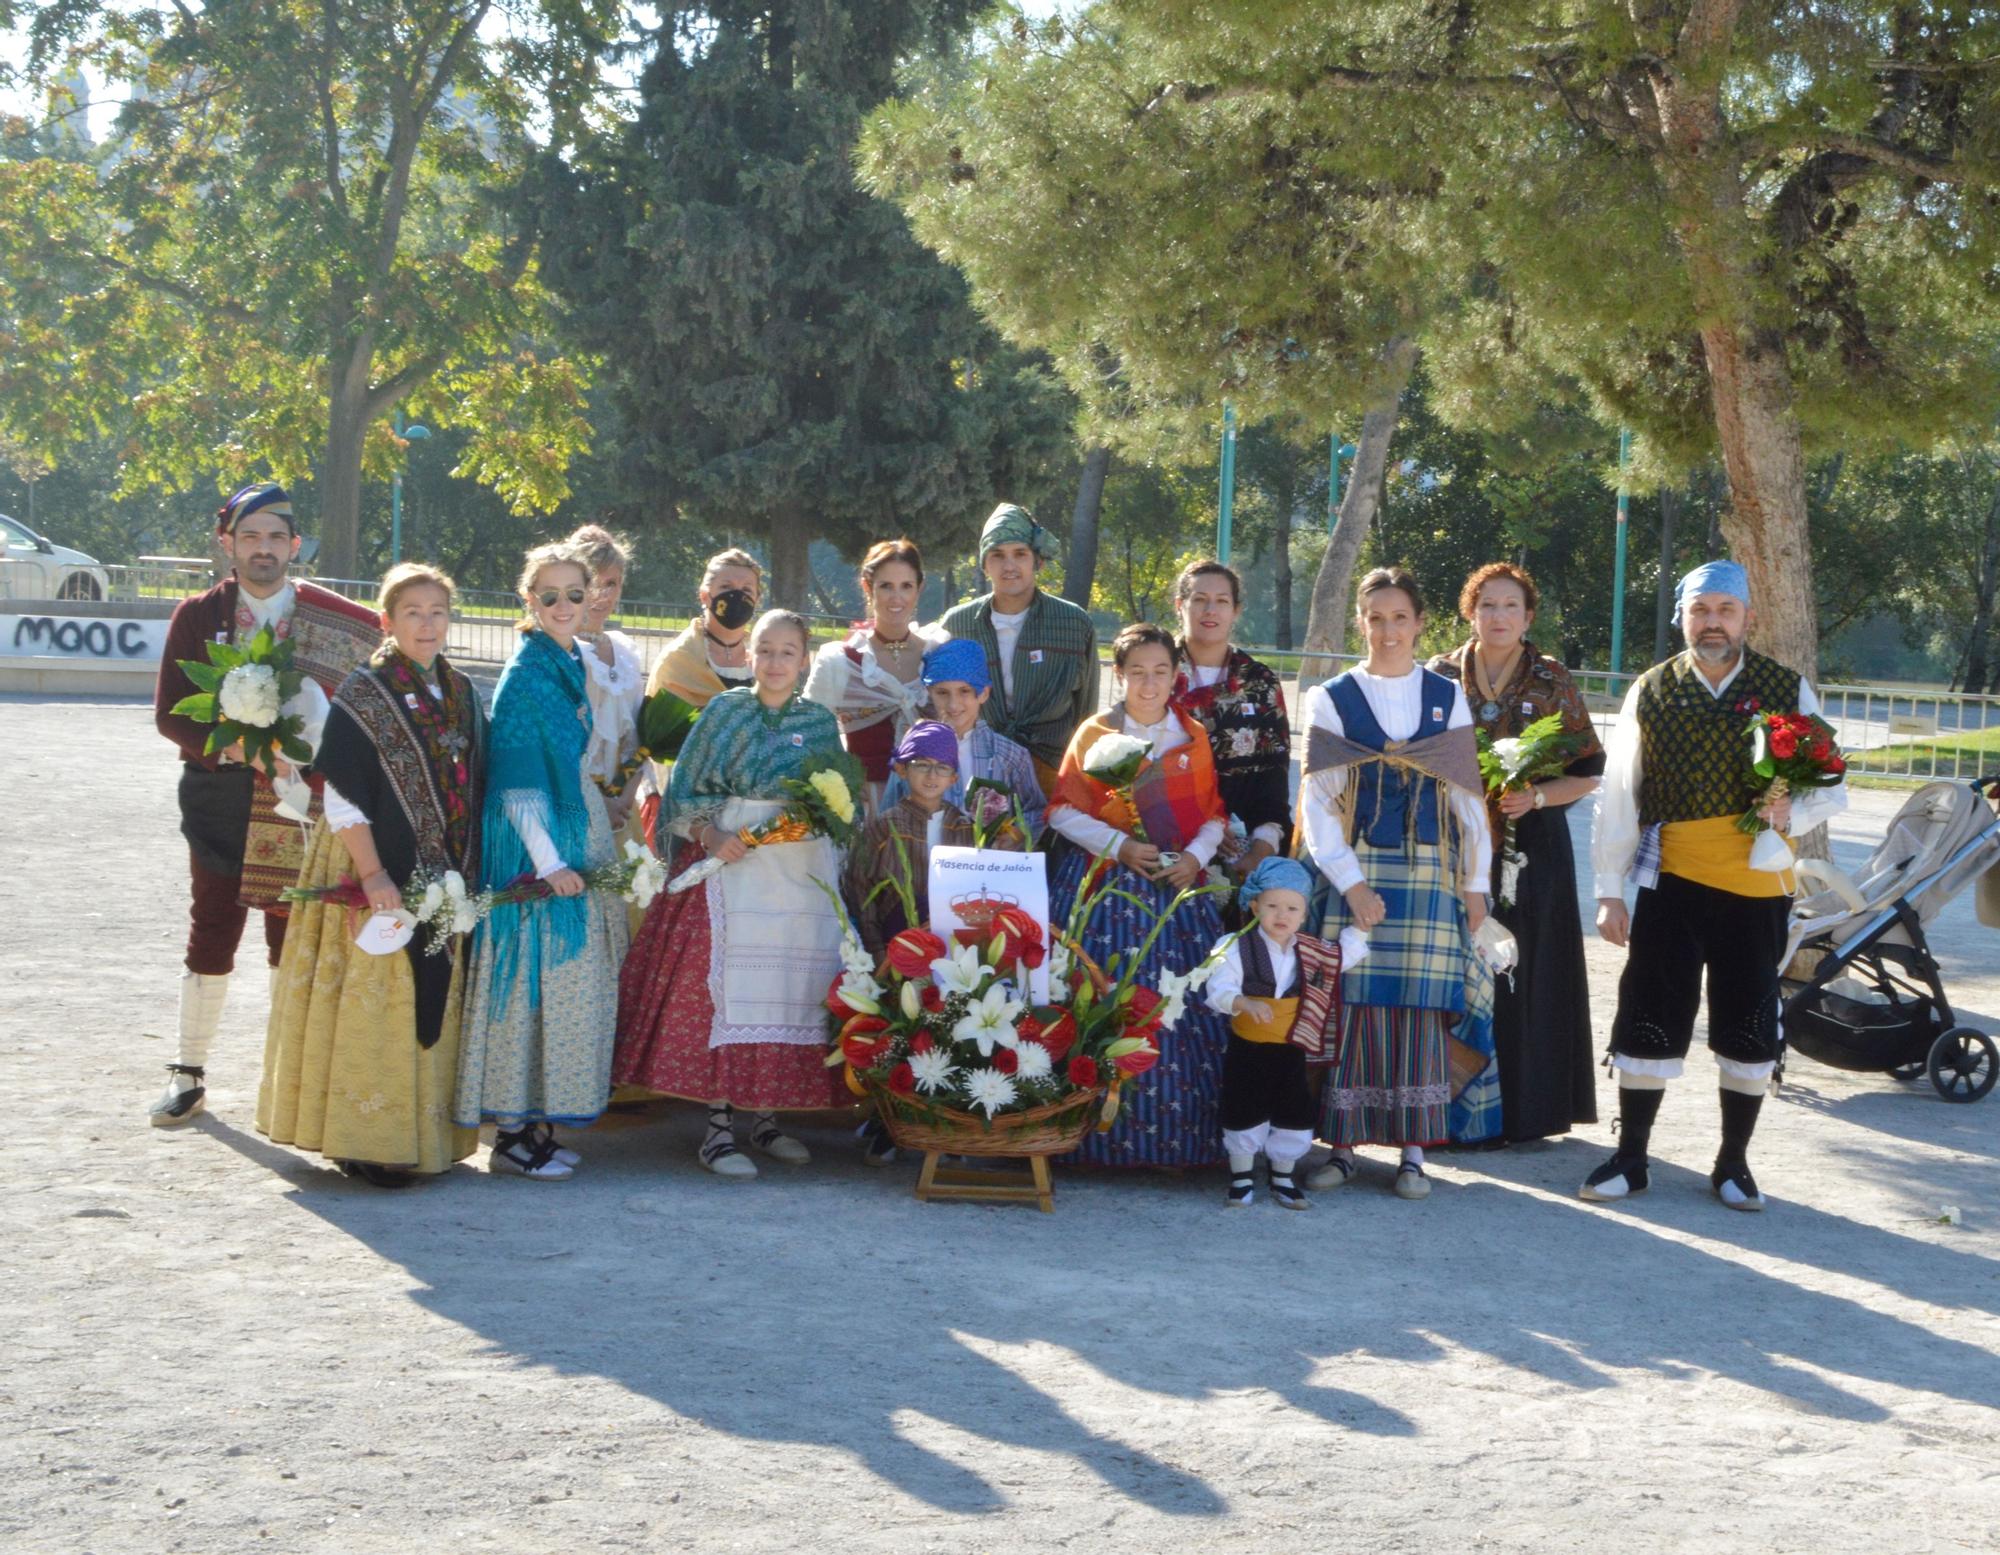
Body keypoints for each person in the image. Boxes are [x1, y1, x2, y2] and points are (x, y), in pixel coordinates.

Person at [1584, 559, 1847, 1212]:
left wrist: (1794, 811)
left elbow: (1832, 784)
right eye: (1700, 610)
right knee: (1648, 1012)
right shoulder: (1653, 689)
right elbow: (1618, 796)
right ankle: (1632, 1156)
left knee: (1749, 1019)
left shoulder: (1786, 688)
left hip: (1758, 890)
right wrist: (1610, 890)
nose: (1712, 622)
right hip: (1673, 884)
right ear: (1682, 617)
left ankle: (1733, 1163)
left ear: (1747, 618)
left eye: (1725, 610)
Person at [148, 482, 380, 1127]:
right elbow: (172, 715)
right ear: (228, 543)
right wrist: (243, 752)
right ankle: (189, 1069)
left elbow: (369, 696)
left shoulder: (337, 619)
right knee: (214, 924)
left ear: (295, 545)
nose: (263, 549)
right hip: (221, 795)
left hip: (304, 803)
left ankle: (288, 1072)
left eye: (276, 536)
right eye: (250, 536)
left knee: (293, 935)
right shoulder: (198, 615)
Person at [256, 564, 484, 1185]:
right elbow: (343, 794)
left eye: (437, 610)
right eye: (412, 611)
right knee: (378, 998)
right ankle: (365, 1142)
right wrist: (375, 874)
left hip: (441, 870)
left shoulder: (461, 691)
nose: (427, 623)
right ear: (386, 621)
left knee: (427, 996)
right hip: (371, 860)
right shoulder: (365, 690)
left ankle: (425, 1138)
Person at [614, 610, 851, 1178]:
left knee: (788, 988)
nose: (774, 661)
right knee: (728, 994)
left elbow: (837, 801)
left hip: (796, 878)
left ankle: (767, 1119)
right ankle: (718, 1129)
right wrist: (710, 834)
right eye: (765, 650)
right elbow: (684, 792)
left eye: (787, 652)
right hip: (730, 866)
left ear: (804, 660)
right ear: (750, 656)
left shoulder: (819, 723)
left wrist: (813, 823)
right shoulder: (724, 712)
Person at [1298, 566, 1493, 1201]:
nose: (1388, 630)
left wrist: (1476, 882)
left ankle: (1413, 1153)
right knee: (1351, 1007)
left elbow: (1467, 798)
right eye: (1376, 618)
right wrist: (1352, 886)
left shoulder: (1445, 697)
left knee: (1421, 1009)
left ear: (1419, 623)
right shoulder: (1332, 698)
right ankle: (1344, 1148)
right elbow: (1317, 804)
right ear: (1361, 622)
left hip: (1430, 870)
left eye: (1399, 617)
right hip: (1355, 868)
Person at [455, 542, 632, 1180]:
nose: (563, 606)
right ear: (528, 602)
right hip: (538, 844)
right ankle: (512, 1135)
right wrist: (549, 863)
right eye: (549, 596)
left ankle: (537, 1126)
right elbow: (517, 779)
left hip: (571, 823)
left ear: (593, 600)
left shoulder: (565, 661)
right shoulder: (529, 672)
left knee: (564, 987)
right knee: (533, 984)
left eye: (575, 595)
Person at [1429, 562, 1606, 1144]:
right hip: (1449, 844)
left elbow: (1586, 773)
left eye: (1510, 606)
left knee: (1525, 974)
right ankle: (1446, 1111)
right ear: (1469, 611)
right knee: (1454, 969)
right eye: (1487, 605)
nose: (1498, 616)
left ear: (1528, 617)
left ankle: (1526, 1113)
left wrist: (1535, 797)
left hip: (1533, 847)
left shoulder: (1552, 679)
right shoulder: (1437, 676)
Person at [1046, 622, 1233, 1168]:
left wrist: (1197, 858)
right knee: (1102, 999)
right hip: (1107, 891)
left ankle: (1181, 1143)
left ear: (1176, 675)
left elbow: (1214, 815)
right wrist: (1120, 847)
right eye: (1136, 673)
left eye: (1159, 673)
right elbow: (1061, 810)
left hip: (1177, 892)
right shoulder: (1094, 734)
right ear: (1118, 675)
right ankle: (1085, 1139)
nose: (1149, 685)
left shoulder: (1192, 736)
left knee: (1181, 1007)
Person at [1204, 857, 1369, 1210]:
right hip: (1248, 1047)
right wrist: (1242, 1002)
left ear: (1304, 913)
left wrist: (1361, 929)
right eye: (1272, 906)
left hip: (1291, 1047)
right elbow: (1217, 987)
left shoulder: (1307, 950)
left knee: (1293, 1110)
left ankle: (1283, 1178)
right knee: (1244, 1108)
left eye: (1292, 908)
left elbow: (1341, 958)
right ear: (1254, 906)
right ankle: (1241, 1179)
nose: (1282, 915)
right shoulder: (1234, 945)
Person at [938, 503, 1099, 797]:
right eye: (997, 555)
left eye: (1020, 554)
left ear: (1037, 561)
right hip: (977, 773)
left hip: (1054, 771)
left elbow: (1086, 712)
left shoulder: (1074, 624)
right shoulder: (958, 625)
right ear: (984, 564)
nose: (1009, 566)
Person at [843, 720, 1017, 959]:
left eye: (942, 767)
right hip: (898, 946)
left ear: (954, 778)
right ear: (902, 769)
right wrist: (876, 951)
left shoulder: (965, 828)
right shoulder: (883, 828)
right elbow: (860, 890)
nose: (932, 775)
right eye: (922, 765)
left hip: (955, 949)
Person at [804, 538, 948, 814]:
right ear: (867, 587)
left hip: (931, 802)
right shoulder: (840, 661)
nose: (897, 598)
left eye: (906, 586)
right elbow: (810, 735)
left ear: (919, 589)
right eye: (886, 586)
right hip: (866, 803)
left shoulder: (937, 653)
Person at [1171, 559, 1293, 880]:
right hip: (1168, 840)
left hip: (1244, 846)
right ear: (1180, 605)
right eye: (1199, 599)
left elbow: (1274, 777)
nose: (1210, 610)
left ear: (1236, 610)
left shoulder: (1260, 682)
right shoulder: (1154, 673)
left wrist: (1258, 852)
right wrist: (1196, 825)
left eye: (1222, 601)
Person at [638, 547, 763, 846]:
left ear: (757, 599)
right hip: (694, 812)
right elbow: (661, 745)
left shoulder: (764, 656)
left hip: (756, 808)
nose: (736, 597)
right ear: (704, 595)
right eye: (726, 588)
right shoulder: (679, 660)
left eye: (746, 590)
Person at [880, 638, 1046, 839]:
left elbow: (1035, 811)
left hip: (989, 864)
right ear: (929, 693)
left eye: (964, 691)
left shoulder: (1009, 755)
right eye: (942, 693)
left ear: (983, 693)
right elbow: (887, 816)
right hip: (923, 864)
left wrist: (1016, 835)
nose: (953, 705)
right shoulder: (911, 753)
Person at [570, 525, 645, 828]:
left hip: (623, 805)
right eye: (592, 583)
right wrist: (598, 804)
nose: (601, 595)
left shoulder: (625, 651)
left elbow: (639, 737)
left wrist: (624, 797)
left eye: (611, 583)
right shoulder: (560, 652)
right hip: (573, 802)